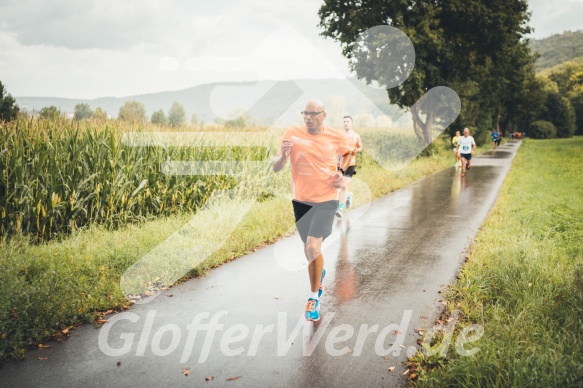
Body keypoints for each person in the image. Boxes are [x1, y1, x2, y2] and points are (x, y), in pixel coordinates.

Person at [272, 100, 349, 322]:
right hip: (301, 201)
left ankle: (313, 298)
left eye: (313, 113)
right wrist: (284, 157)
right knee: (309, 250)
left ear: (323, 115)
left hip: (326, 200)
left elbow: (348, 158)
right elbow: (276, 167)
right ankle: (320, 271)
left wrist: (342, 175)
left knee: (313, 247)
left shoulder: (335, 136)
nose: (308, 117)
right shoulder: (292, 133)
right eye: (305, 113)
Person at [336, 116, 362, 218]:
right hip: (339, 164)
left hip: (350, 164)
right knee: (338, 185)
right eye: (344, 122)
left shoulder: (356, 136)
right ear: (343, 124)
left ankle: (340, 209)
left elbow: (360, 147)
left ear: (351, 123)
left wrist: (356, 150)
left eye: (348, 121)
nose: (346, 123)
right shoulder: (339, 136)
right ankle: (348, 196)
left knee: (344, 186)